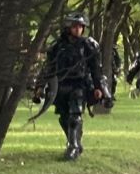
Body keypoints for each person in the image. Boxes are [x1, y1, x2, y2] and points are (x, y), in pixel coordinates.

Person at [37, 12, 105, 161]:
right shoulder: (57, 46)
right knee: (64, 117)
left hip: (79, 84)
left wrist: (98, 87)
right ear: (68, 27)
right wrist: (40, 86)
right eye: (75, 26)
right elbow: (48, 67)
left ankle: (72, 146)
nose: (78, 30)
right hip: (61, 85)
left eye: (80, 27)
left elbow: (95, 69)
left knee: (76, 115)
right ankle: (74, 141)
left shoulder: (88, 45)